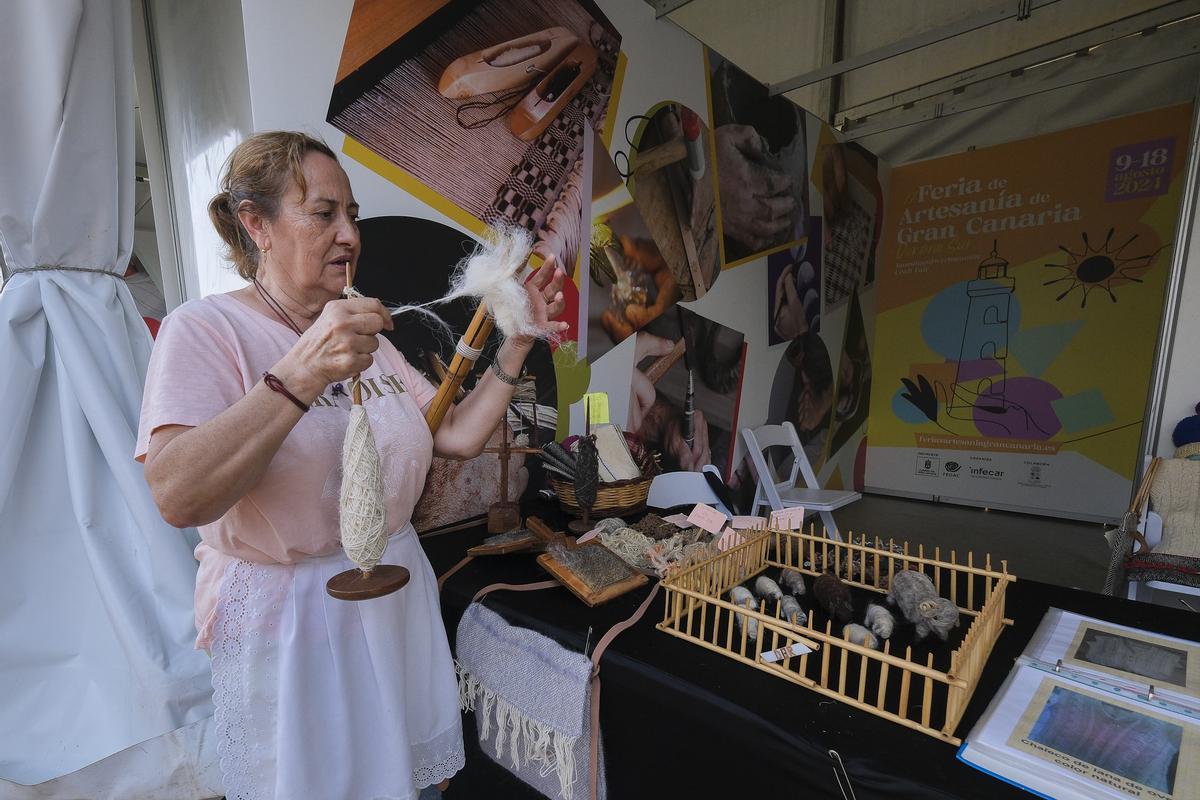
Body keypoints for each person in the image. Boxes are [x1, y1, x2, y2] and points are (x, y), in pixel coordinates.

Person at [136, 131, 566, 800]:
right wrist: (302, 372)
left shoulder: (366, 335)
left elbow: (453, 434)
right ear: (257, 225)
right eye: (323, 213)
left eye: (352, 215)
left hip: (393, 602)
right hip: (296, 627)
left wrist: (516, 344)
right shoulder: (208, 329)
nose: (348, 235)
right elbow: (177, 494)